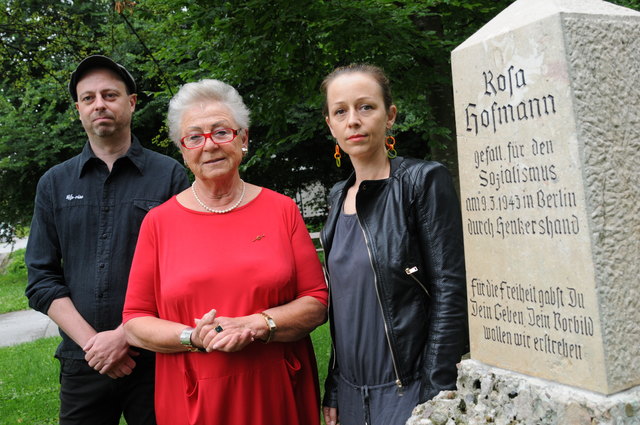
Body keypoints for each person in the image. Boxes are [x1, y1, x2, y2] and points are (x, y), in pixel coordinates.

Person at [122, 78, 328, 425]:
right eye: (194, 136)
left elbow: (316, 302)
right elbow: (135, 322)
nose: (210, 146)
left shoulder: (281, 210)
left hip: (275, 390)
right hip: (193, 398)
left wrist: (256, 324)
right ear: (182, 148)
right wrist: (193, 337)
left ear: (243, 138)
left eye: (221, 132)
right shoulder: (158, 223)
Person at [25, 55, 190, 425]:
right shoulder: (54, 184)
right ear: (79, 110)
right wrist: (94, 345)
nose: (99, 104)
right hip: (82, 361)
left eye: (109, 95)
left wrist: (124, 337)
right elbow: (41, 279)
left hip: (155, 359)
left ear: (131, 102)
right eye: (88, 98)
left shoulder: (171, 177)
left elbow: (183, 274)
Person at [319, 64, 469, 425]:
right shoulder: (337, 198)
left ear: (391, 115)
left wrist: (435, 392)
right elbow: (342, 304)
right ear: (330, 125)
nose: (353, 120)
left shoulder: (421, 182)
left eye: (366, 107)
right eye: (341, 111)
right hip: (352, 395)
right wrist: (335, 386)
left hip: (409, 390)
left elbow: (451, 288)